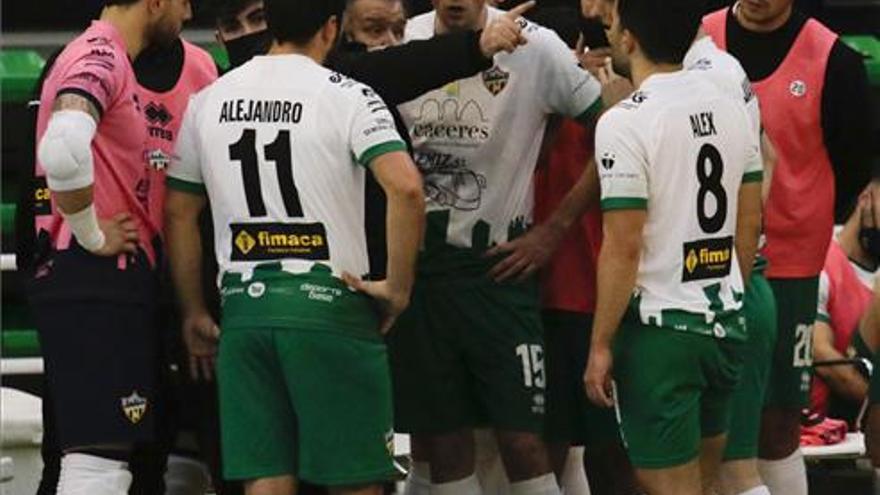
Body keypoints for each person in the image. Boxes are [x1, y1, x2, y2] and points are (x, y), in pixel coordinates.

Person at [164, 1, 425, 494]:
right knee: (358, 480)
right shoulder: (349, 96)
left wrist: (195, 310)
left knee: (267, 480)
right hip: (330, 310)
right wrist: (397, 287)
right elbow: (407, 188)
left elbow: (179, 210)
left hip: (243, 313)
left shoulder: (209, 99)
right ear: (331, 28)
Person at [391, 0, 603, 493]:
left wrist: (554, 229)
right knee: (442, 447)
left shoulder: (537, 46)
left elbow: (618, 132)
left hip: (499, 274)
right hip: (421, 275)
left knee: (525, 444)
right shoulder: (401, 41)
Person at [583, 0, 763, 493]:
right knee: (706, 485)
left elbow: (623, 245)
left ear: (628, 39)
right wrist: (730, 291)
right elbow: (750, 219)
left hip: (661, 333)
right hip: (725, 323)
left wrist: (600, 343)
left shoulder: (624, 122)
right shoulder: (729, 105)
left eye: (615, 21)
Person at [702, 2, 876, 492]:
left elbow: (853, 165)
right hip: (706, 259)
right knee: (714, 423)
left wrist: (802, 211)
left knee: (778, 421)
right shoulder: (700, 36)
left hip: (789, 265)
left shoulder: (833, 58)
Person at [28, 1, 191, 494]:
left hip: (99, 281)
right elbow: (62, 148)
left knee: (103, 459)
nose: (188, 11)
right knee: (97, 462)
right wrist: (90, 231)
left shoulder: (101, 54)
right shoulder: (100, 57)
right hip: (96, 279)